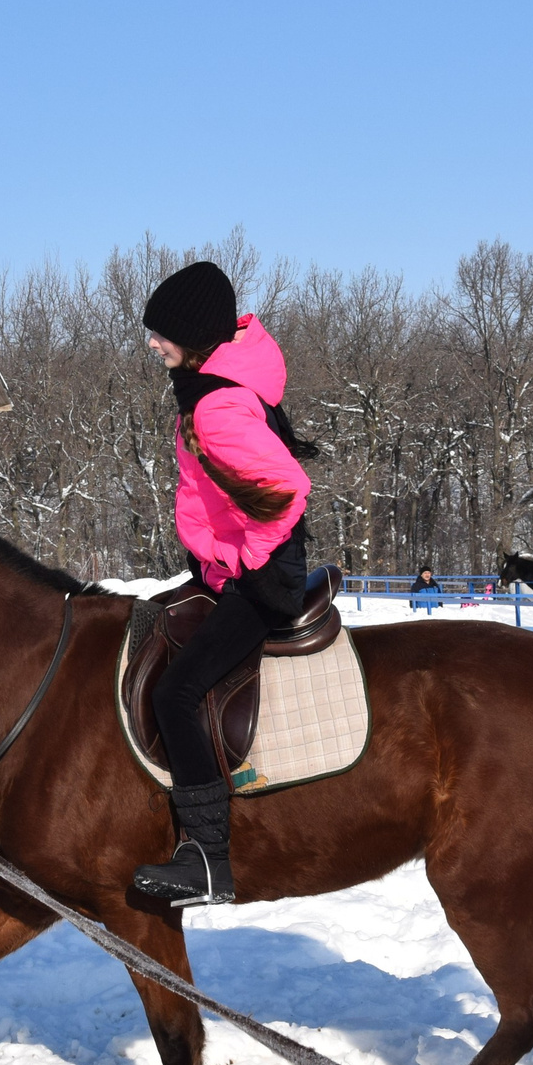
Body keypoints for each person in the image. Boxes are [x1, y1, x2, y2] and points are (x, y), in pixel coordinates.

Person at [130, 260, 312, 908]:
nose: (152, 344)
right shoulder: (210, 387)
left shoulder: (218, 406)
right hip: (228, 568)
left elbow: (287, 492)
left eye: (161, 335)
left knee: (178, 691)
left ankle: (207, 857)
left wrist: (243, 565)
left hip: (260, 580)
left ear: (197, 338)